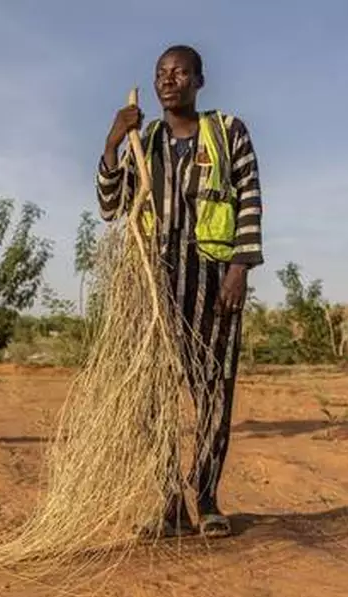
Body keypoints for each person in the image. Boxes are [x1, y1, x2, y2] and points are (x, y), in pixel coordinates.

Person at [95, 44, 264, 538]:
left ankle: (207, 498)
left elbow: (251, 198)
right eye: (161, 74)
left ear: (199, 81)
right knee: (154, 395)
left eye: (179, 72)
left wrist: (240, 268)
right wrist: (112, 146)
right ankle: (169, 503)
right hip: (155, 282)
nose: (168, 81)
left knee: (213, 388)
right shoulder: (143, 141)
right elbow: (113, 206)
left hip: (213, 279)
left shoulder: (229, 132)